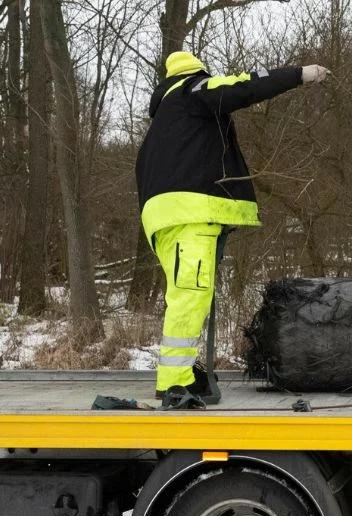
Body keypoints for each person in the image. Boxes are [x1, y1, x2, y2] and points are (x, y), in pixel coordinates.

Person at [136, 52, 329, 403]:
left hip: (164, 220)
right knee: (191, 294)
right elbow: (244, 85)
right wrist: (299, 74)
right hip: (190, 214)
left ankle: (182, 373)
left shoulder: (163, 121)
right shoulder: (192, 90)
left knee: (187, 293)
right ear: (197, 73)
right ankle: (173, 383)